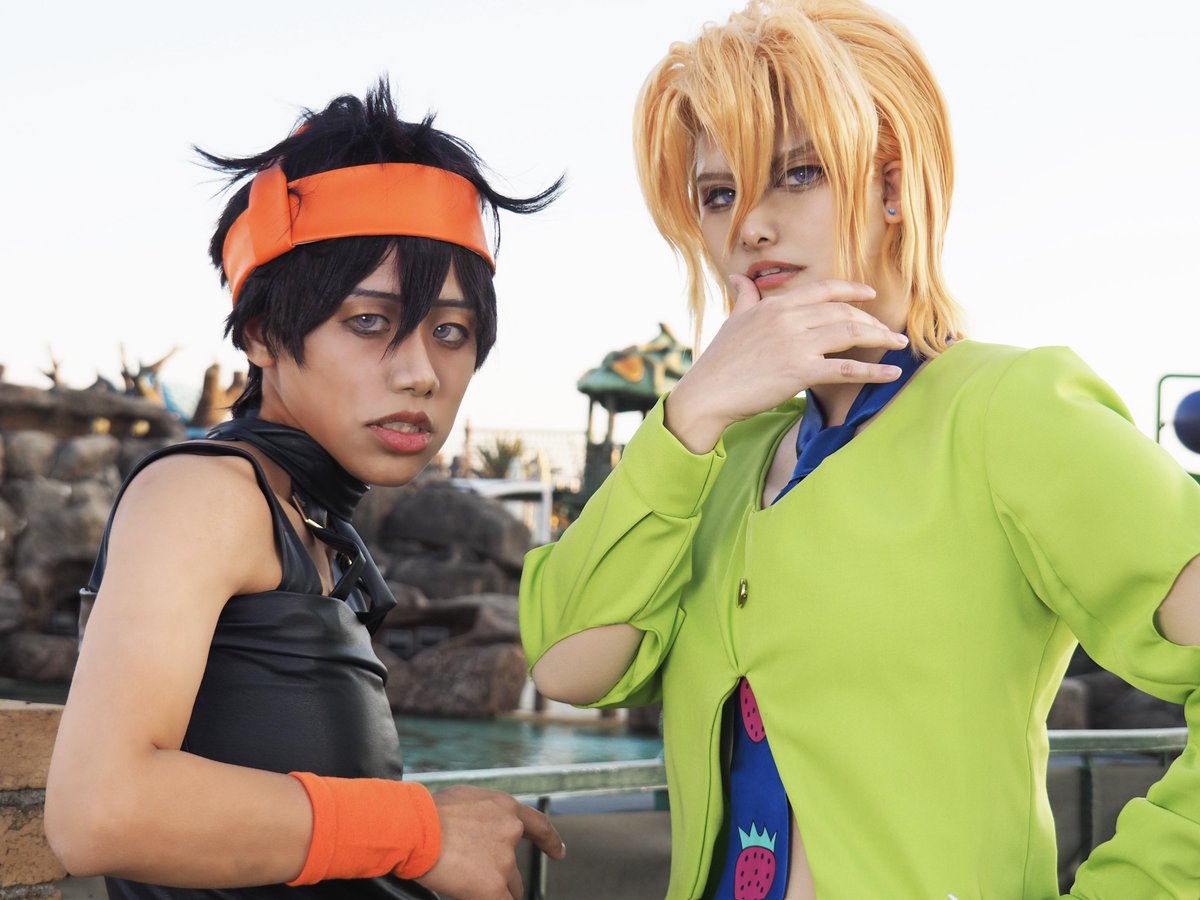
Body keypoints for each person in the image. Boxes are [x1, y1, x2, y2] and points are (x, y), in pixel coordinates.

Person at [518, 1, 1200, 897]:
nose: (749, 226)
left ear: (892, 186)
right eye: (719, 194)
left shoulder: (1007, 411)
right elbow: (566, 663)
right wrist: (690, 411)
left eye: (797, 174)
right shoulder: (713, 457)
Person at [45, 81, 566, 900]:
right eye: (369, 321)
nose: (421, 372)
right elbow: (99, 810)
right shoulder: (204, 496)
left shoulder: (306, 520)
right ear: (261, 333)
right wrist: (418, 830)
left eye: (450, 331)